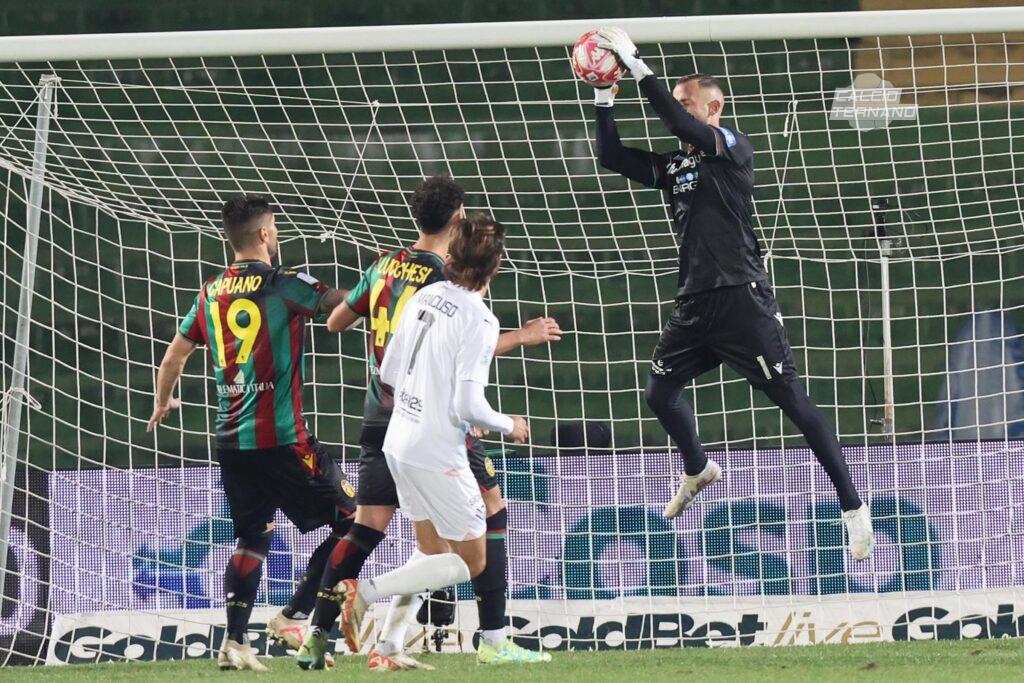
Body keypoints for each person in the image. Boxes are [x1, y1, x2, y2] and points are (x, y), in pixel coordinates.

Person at [591, 28, 874, 560]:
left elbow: (678, 124)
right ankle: (698, 467)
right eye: (677, 104)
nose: (676, 113)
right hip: (695, 304)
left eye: (686, 103)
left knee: (790, 399)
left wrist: (636, 66)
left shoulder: (731, 147)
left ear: (712, 105)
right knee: (658, 393)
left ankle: (853, 508)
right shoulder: (676, 167)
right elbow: (610, 155)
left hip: (742, 299)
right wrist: (606, 96)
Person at [296, 177, 561, 670]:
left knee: (383, 533)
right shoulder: (455, 293)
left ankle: (348, 639)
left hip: (387, 418)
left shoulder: (386, 266)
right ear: (459, 220)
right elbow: (464, 379)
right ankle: (492, 635)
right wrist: (505, 411)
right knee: (478, 538)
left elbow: (363, 346)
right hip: (435, 429)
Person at [146, 195, 358, 671]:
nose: (277, 235)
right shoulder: (284, 284)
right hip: (283, 439)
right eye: (276, 228)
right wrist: (378, 294)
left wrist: (164, 401)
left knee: (252, 537)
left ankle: (235, 642)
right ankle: (291, 616)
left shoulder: (210, 290)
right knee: (354, 521)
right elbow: (339, 308)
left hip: (232, 442)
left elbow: (174, 357)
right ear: (265, 234)